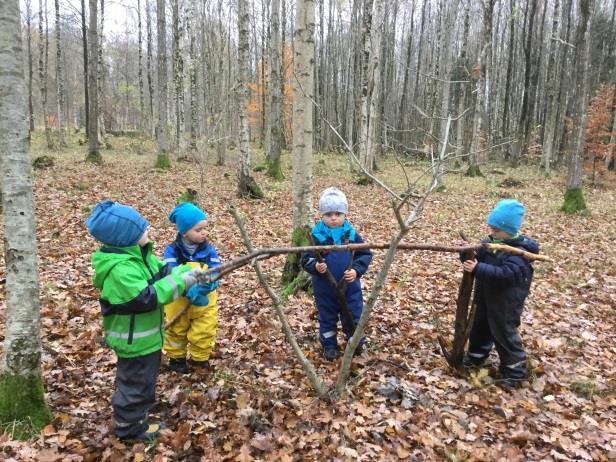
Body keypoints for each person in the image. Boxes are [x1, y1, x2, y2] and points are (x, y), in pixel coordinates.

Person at [86, 200, 206, 441]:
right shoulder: (120, 269)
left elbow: (161, 272)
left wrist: (185, 272)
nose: (148, 231)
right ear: (125, 237)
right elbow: (146, 297)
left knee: (144, 381)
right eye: (142, 229)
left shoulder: (140, 256)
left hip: (148, 338)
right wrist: (182, 282)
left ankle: (138, 415)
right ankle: (130, 429)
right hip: (134, 342)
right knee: (134, 385)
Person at [461, 199, 540, 390]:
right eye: (491, 229)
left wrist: (479, 268)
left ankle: (514, 371)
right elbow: (476, 259)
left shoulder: (520, 253)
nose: (492, 233)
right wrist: (467, 253)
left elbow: (507, 275)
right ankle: (476, 356)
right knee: (479, 326)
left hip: (506, 302)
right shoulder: (490, 243)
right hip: (485, 297)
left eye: (497, 230)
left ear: (510, 230)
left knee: (504, 332)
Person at [301, 187, 372, 361]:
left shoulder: (351, 234)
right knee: (327, 317)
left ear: (345, 214)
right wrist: (316, 266)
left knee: (353, 315)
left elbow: (365, 254)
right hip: (325, 288)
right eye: (329, 214)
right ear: (321, 216)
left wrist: (356, 270)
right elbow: (305, 259)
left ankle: (355, 343)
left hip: (350, 287)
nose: (333, 218)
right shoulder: (316, 236)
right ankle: (329, 345)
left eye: (338, 214)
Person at [163, 202, 221, 374]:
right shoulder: (172, 251)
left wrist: (206, 286)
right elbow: (169, 272)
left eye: (205, 228)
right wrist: (185, 287)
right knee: (176, 327)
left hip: (204, 301)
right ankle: (176, 359)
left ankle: (200, 359)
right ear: (184, 232)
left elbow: (217, 272)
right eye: (198, 230)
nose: (204, 232)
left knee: (205, 328)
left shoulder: (209, 251)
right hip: (177, 301)